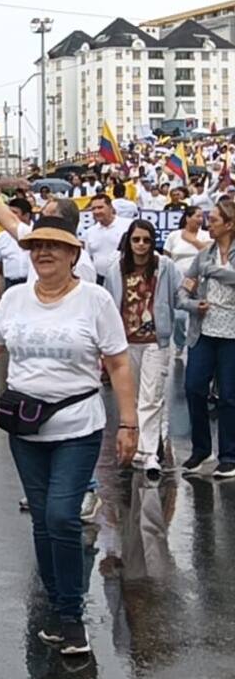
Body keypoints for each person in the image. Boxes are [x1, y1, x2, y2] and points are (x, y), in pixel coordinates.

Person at [0, 213, 137, 657]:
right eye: (36, 246)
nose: (44, 253)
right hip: (26, 428)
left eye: (55, 246)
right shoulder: (14, 299)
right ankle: (56, 604)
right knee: (45, 521)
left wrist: (129, 422)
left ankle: (71, 616)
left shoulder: (95, 300)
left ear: (73, 254)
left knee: (64, 516)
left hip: (78, 426)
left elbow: (119, 362)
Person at [102, 219, 182, 481]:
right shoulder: (116, 269)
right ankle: (133, 446)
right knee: (131, 397)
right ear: (129, 241)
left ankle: (149, 452)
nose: (141, 245)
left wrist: (192, 306)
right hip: (125, 342)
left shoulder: (164, 266)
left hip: (155, 341)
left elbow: (177, 295)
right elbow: (108, 304)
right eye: (136, 240)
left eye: (146, 240)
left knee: (152, 396)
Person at [180, 199, 235, 479]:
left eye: (213, 220)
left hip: (232, 335)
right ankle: (201, 450)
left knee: (228, 396)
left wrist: (213, 270)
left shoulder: (209, 262)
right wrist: (192, 306)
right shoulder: (202, 256)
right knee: (193, 388)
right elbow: (183, 292)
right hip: (203, 332)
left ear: (229, 224)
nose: (207, 224)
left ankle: (229, 455)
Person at [164, 206, 210, 359]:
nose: (200, 219)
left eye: (202, 216)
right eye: (197, 216)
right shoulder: (174, 236)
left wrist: (193, 240)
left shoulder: (206, 235)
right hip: (179, 283)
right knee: (179, 317)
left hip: (201, 283)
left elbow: (210, 252)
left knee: (199, 315)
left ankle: (196, 346)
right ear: (187, 218)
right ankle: (179, 343)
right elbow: (167, 259)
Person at [83, 194, 133, 284]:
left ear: (110, 207)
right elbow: (88, 258)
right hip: (99, 280)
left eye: (100, 207)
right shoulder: (89, 232)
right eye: (93, 209)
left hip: (125, 278)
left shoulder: (128, 226)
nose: (96, 211)